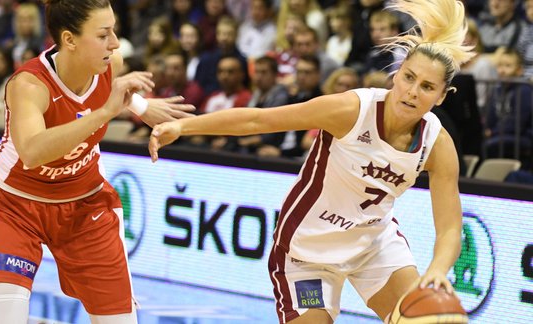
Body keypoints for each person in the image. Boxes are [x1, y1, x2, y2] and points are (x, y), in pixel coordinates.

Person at [149, 0, 474, 322]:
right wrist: (183, 126)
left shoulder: (437, 144)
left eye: (427, 87)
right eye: (409, 78)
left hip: (374, 245)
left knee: (423, 319)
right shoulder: (352, 110)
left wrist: (436, 272)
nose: (413, 92)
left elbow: (449, 228)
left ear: (442, 96)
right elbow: (258, 121)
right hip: (308, 250)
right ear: (396, 75)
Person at [0, 1, 195, 324]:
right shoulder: (29, 85)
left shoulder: (111, 62)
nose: (115, 43)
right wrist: (105, 113)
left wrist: (144, 108)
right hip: (15, 207)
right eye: (103, 35)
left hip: (84, 207)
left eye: (114, 31)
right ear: (69, 39)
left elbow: (115, 93)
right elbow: (32, 152)